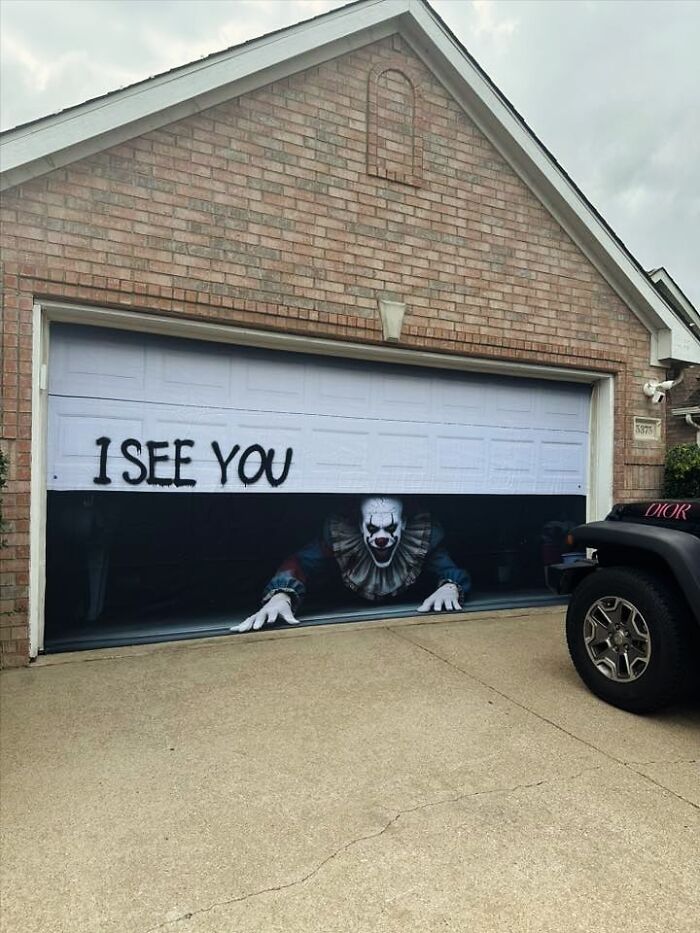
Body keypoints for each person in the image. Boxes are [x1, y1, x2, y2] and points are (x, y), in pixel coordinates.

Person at [232, 495, 470, 633]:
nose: (381, 537)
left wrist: (451, 587)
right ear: (359, 526)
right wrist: (282, 595)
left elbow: (449, 570)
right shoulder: (339, 539)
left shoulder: (421, 541)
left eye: (390, 528)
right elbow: (300, 563)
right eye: (372, 528)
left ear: (404, 525)